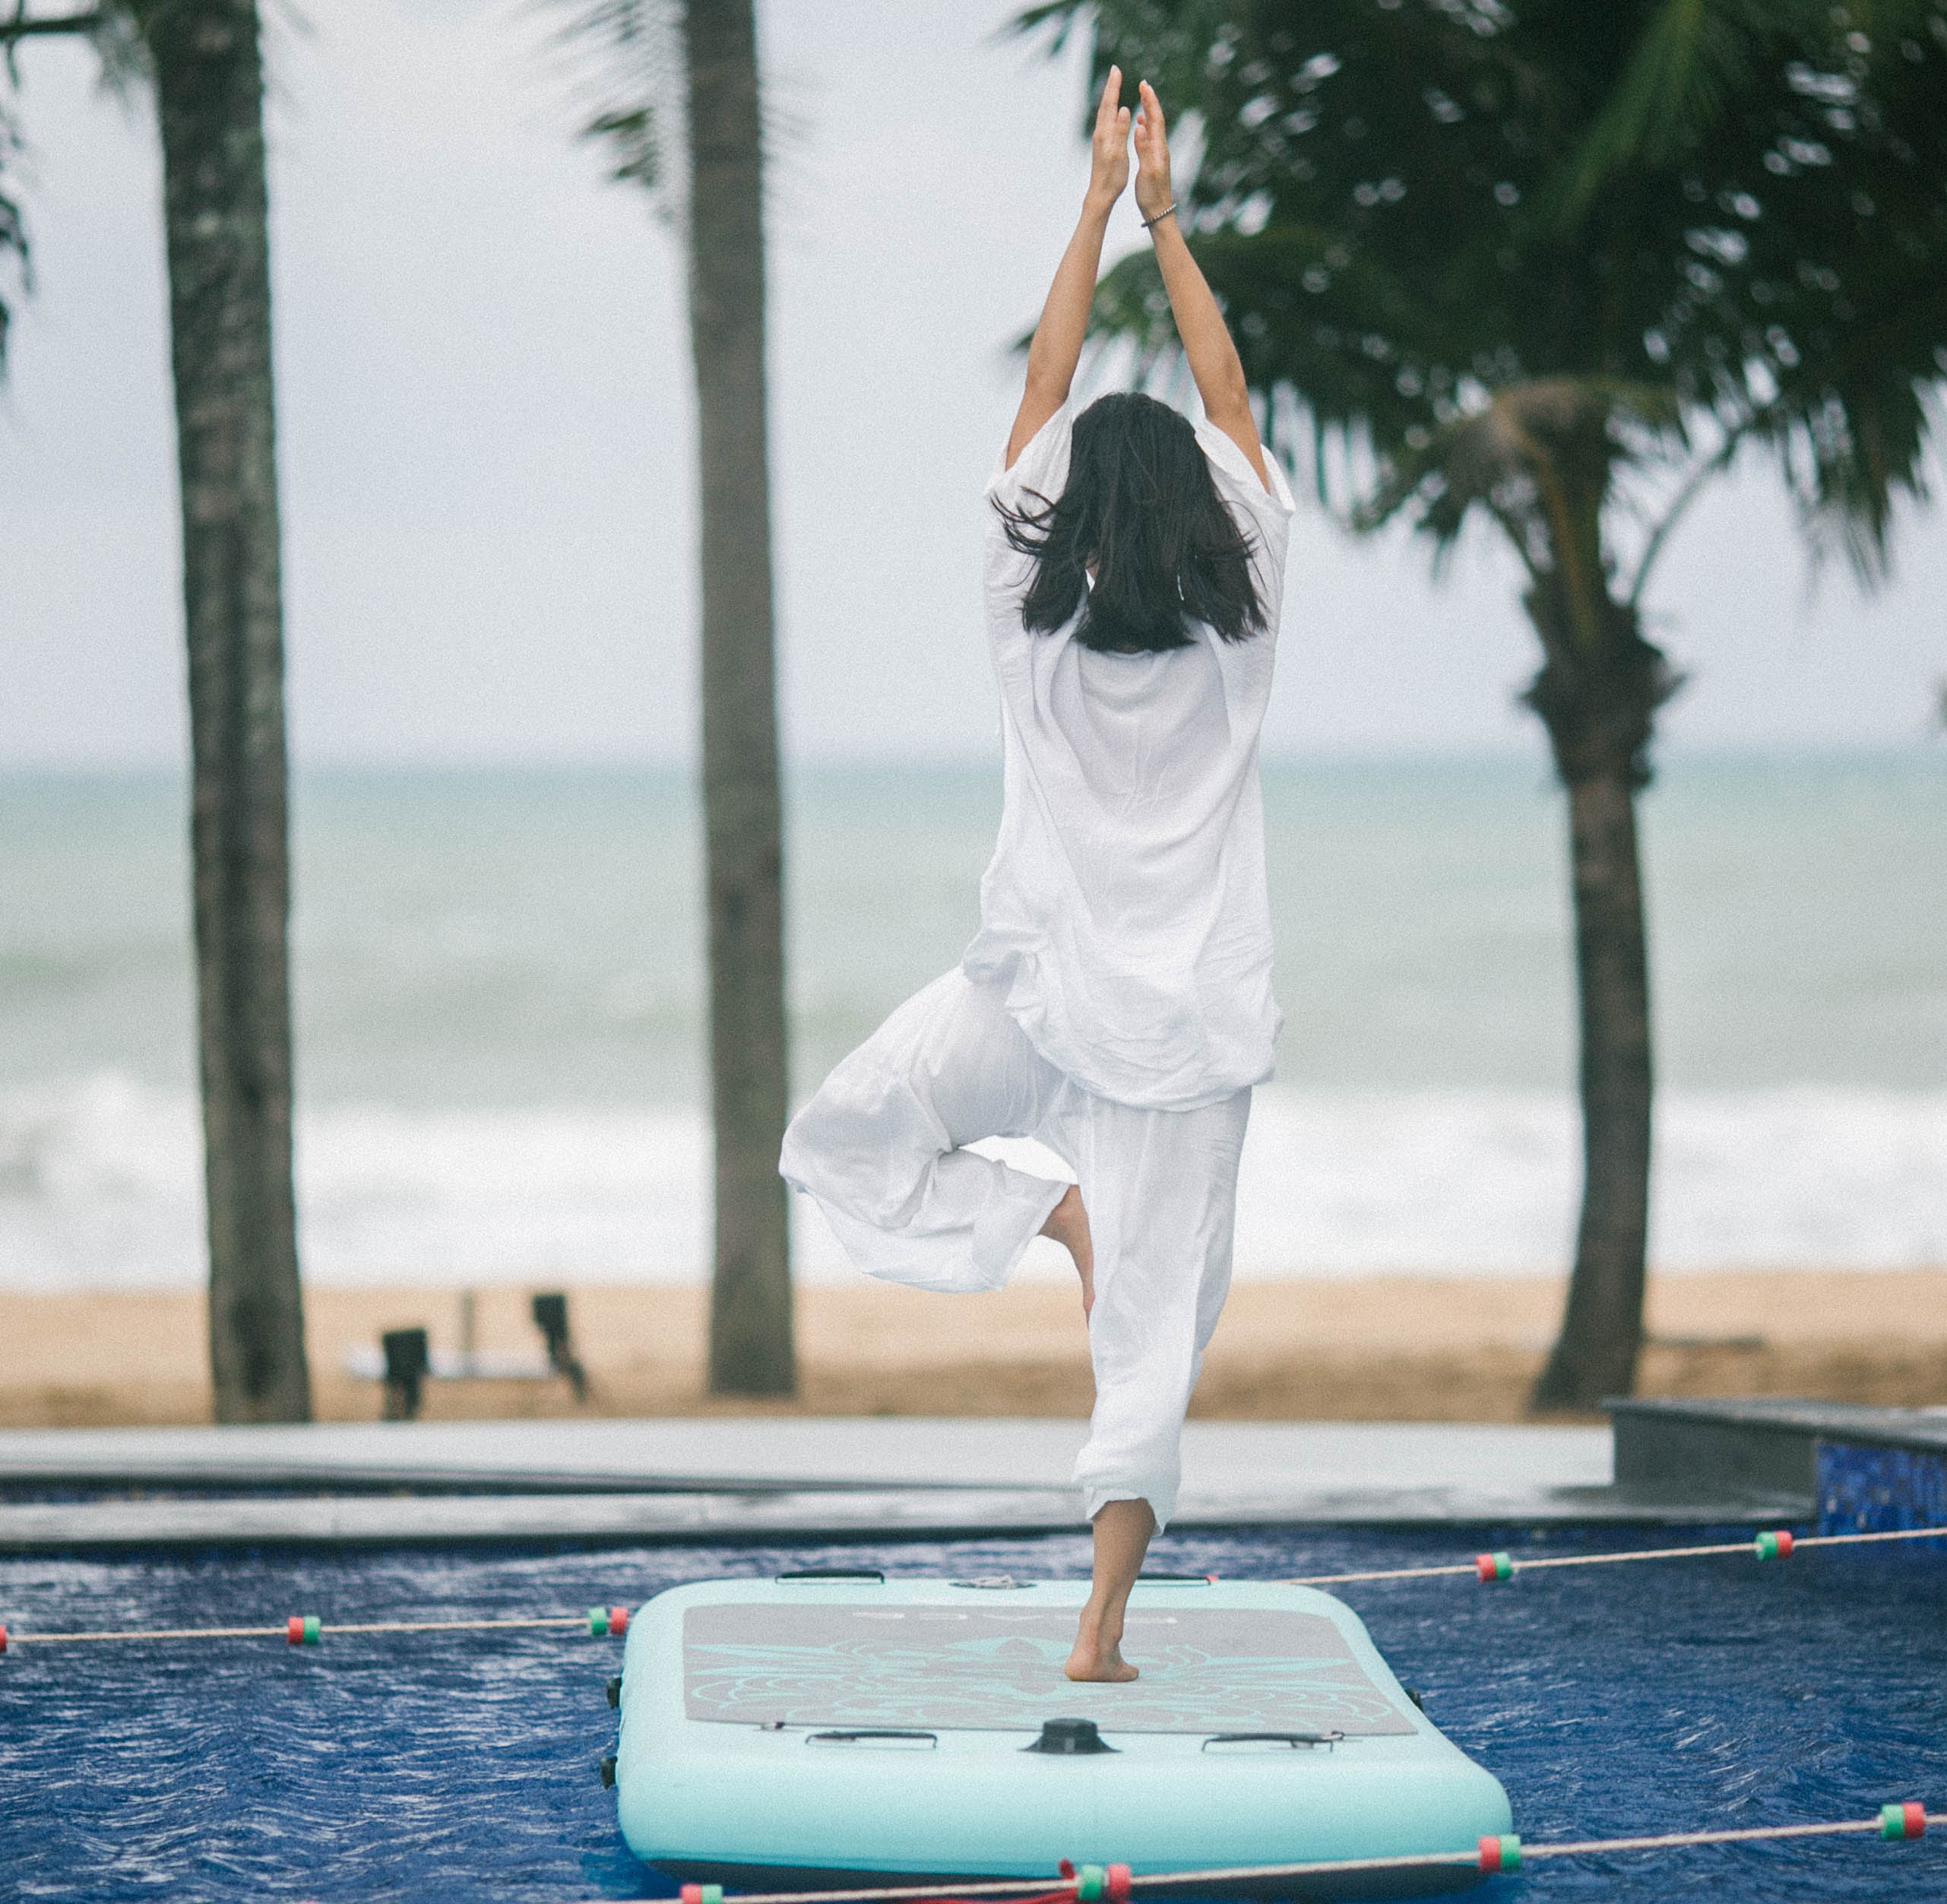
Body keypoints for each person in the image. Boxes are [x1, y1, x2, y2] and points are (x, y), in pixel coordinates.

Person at [779, 66, 1293, 1684]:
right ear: (1205, 515)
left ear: (1065, 517)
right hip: (1181, 1039)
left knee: (840, 1139)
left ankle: (1040, 1212)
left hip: (1032, 1000)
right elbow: (1229, 394)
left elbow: (1046, 386)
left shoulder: (1027, 622)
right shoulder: (1248, 625)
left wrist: (1092, 208)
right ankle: (1097, 1632)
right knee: (1149, 1346)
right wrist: (1166, 221)